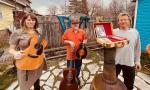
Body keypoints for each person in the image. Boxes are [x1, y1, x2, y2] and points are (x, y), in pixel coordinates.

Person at [9, 13, 47, 90]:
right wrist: (15, 53)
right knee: (24, 85)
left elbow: (41, 45)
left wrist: (42, 53)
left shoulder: (38, 32)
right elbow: (11, 49)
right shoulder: (17, 33)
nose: (31, 22)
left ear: (35, 21)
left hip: (37, 61)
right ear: (24, 21)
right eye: (29, 20)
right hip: (24, 62)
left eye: (33, 20)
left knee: (37, 81)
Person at [113, 12, 142, 90]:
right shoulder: (113, 32)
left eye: (125, 19)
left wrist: (137, 61)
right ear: (118, 22)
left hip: (129, 62)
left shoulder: (135, 32)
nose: (123, 21)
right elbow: (108, 45)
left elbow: (137, 48)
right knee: (111, 83)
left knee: (129, 85)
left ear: (129, 21)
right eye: (121, 20)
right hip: (116, 62)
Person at [62, 17, 87, 85]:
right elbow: (63, 41)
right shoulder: (67, 32)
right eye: (73, 23)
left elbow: (85, 40)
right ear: (71, 24)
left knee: (78, 67)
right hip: (70, 54)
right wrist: (69, 42)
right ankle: (71, 79)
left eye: (77, 23)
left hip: (79, 54)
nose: (75, 25)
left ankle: (76, 77)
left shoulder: (82, 32)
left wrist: (84, 41)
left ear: (79, 24)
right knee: (70, 68)